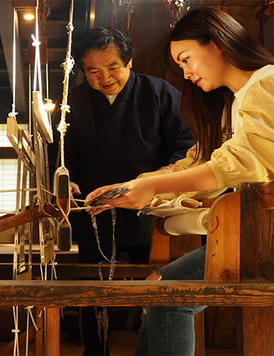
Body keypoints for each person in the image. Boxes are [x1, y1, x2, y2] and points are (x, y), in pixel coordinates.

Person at [84, 7, 274, 355]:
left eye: (187, 59)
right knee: (160, 288)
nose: (186, 74)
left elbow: (250, 164)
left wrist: (153, 188)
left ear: (217, 43)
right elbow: (201, 162)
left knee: (168, 292)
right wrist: (133, 187)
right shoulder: (237, 102)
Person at [49, 27, 193, 355]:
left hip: (149, 206)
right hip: (94, 207)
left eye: (113, 67)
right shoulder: (73, 101)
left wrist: (165, 175)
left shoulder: (160, 93)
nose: (105, 78)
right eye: (93, 71)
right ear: (83, 72)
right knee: (95, 290)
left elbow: (185, 143)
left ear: (129, 60)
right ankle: (95, 350)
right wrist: (65, 178)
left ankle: (150, 347)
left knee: (155, 284)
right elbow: (60, 151)